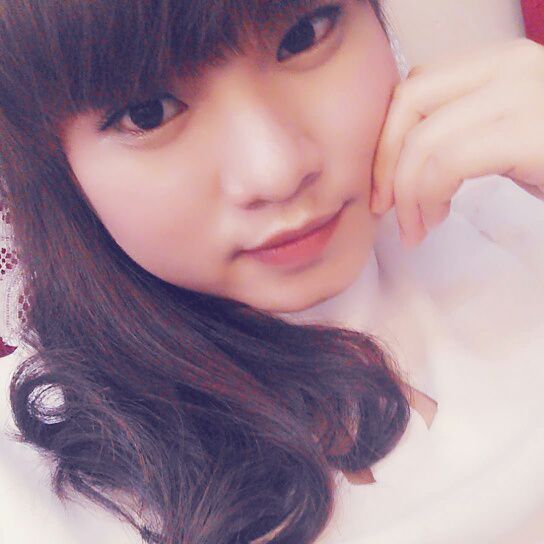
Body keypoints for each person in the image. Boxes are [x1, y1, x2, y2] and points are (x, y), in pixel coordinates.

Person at [0, 1, 543, 542]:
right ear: (50, 165)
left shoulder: (510, 200)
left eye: (302, 36)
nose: (277, 172)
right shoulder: (31, 491)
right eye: (149, 113)